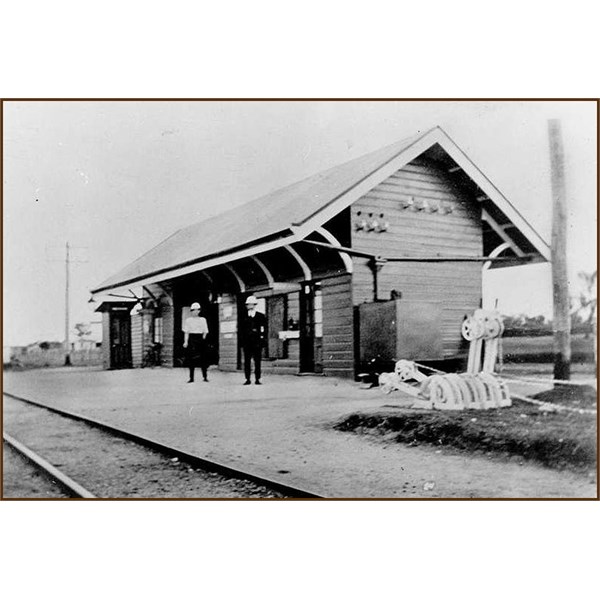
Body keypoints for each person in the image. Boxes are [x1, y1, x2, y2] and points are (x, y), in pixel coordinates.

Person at [240, 295, 266, 385]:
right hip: (247, 342)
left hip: (257, 342)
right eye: (248, 304)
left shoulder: (260, 316)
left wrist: (262, 340)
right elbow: (241, 330)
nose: (249, 306)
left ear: (255, 305)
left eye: (251, 304)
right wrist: (242, 342)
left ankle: (257, 379)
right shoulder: (243, 316)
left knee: (257, 361)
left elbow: (264, 329)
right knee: (247, 362)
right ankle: (247, 379)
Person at [182, 302, 209, 383]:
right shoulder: (188, 320)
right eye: (194, 310)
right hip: (192, 339)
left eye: (197, 310)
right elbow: (186, 332)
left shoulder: (203, 320)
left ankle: (205, 376)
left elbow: (205, 331)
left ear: (199, 311)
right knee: (191, 359)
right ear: (191, 311)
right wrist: (185, 342)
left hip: (200, 338)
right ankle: (191, 378)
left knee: (203, 359)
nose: (195, 312)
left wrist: (203, 339)